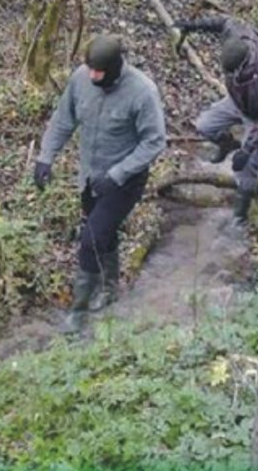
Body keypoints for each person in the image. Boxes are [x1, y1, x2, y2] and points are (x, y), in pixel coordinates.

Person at [33, 35, 167, 333]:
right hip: (90, 177)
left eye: (99, 71)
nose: (93, 76)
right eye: (90, 69)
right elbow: (63, 119)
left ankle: (78, 314)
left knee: (90, 239)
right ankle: (109, 289)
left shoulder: (142, 92)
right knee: (103, 235)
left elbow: (155, 141)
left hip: (125, 181)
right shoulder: (81, 79)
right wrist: (46, 157)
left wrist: (118, 174)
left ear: (116, 66)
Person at [174, 15, 258, 230]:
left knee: (246, 171)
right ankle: (227, 145)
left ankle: (239, 219)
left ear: (242, 66)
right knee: (204, 125)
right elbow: (221, 22)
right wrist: (193, 24)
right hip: (236, 100)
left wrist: (247, 150)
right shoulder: (237, 34)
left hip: (256, 113)